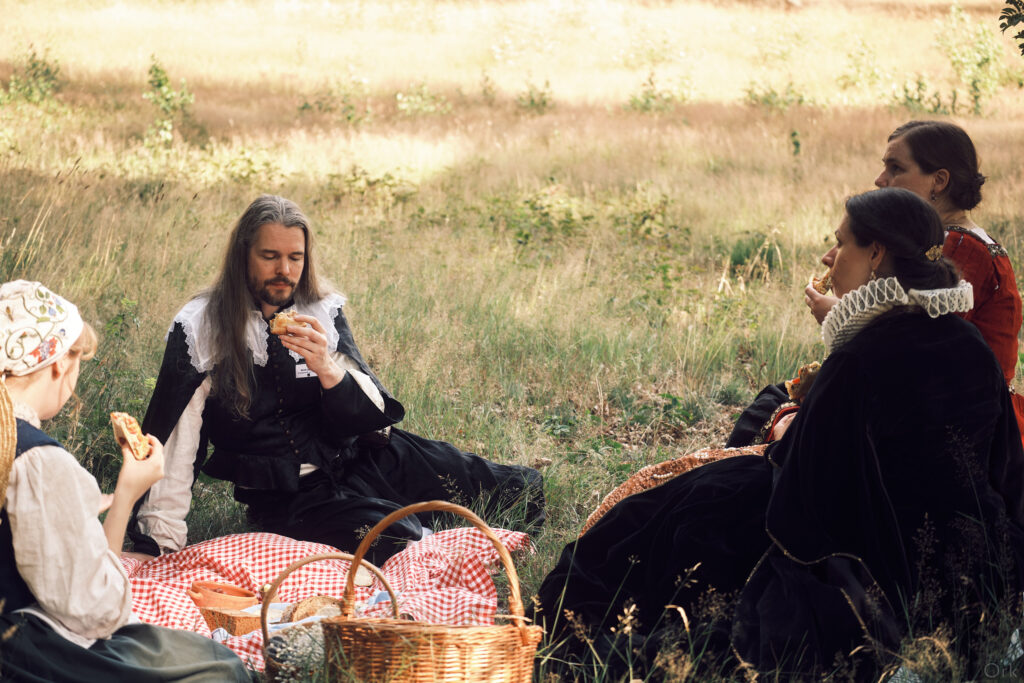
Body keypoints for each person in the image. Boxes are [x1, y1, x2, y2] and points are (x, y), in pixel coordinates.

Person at [533, 189, 1024, 678]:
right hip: (966, 560)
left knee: (667, 520)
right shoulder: (969, 343)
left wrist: (782, 435)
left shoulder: (859, 359)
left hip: (868, 561)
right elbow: (1005, 470)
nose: (830, 258)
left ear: (876, 254)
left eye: (842, 244)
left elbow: (806, 494)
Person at [128, 195, 545, 564]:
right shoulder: (201, 326)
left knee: (515, 489)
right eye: (270, 256)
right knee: (394, 538)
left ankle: (443, 527)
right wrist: (160, 541)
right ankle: (437, 545)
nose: (284, 270)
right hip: (291, 496)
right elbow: (176, 441)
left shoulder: (320, 309)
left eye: (295, 258)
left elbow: (372, 412)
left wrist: (326, 366)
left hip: (363, 456)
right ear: (242, 256)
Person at [0, 280, 251, 682]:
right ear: (59, 364)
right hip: (25, 650)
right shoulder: (40, 461)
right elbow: (96, 611)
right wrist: (126, 496)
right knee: (220, 667)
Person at [728, 120, 1024, 448]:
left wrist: (842, 317)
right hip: (926, 402)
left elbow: (923, 351)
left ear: (939, 181)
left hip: (962, 426)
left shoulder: (959, 247)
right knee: (778, 401)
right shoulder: (945, 239)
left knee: (783, 420)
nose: (880, 180)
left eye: (896, 168)